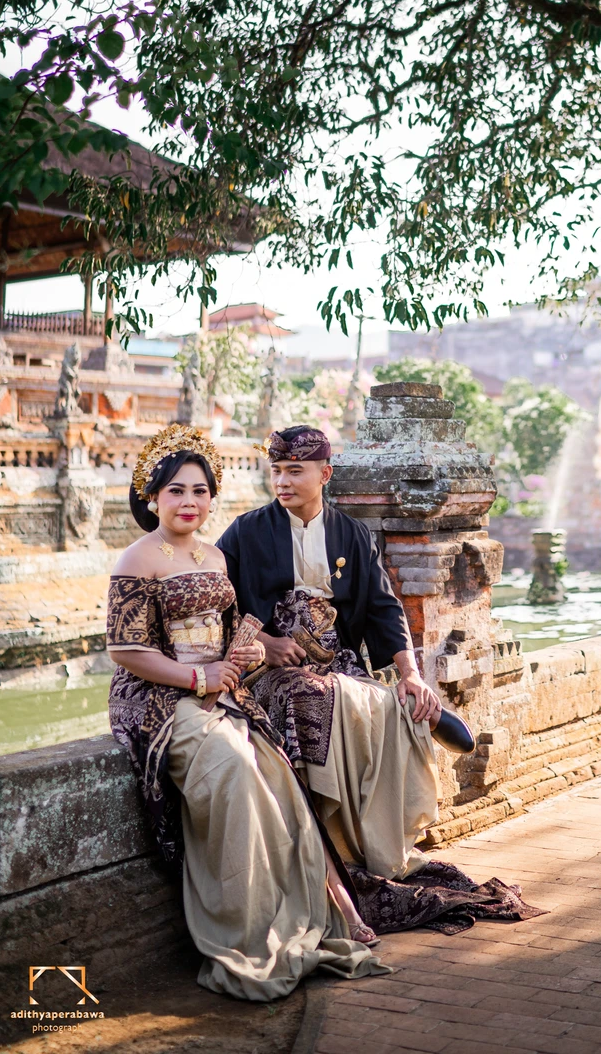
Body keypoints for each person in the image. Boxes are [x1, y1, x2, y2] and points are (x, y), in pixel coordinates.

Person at [219, 424, 543, 934]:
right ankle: (325, 844)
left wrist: (411, 673)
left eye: (295, 471)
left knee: (391, 705)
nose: (282, 481)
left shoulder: (352, 534)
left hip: (339, 662)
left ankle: (376, 844)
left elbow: (384, 608)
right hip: (273, 670)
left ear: (325, 474)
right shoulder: (245, 532)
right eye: (276, 471)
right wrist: (263, 642)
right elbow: (218, 604)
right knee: (311, 695)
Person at [107, 423, 389, 1000]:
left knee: (279, 777)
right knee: (235, 770)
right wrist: (198, 677)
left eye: (200, 491)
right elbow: (125, 649)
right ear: (153, 497)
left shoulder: (214, 555)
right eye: (176, 491)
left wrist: (250, 652)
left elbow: (234, 631)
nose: (189, 501)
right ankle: (246, 929)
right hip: (162, 698)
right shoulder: (137, 558)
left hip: (224, 692)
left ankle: (306, 914)